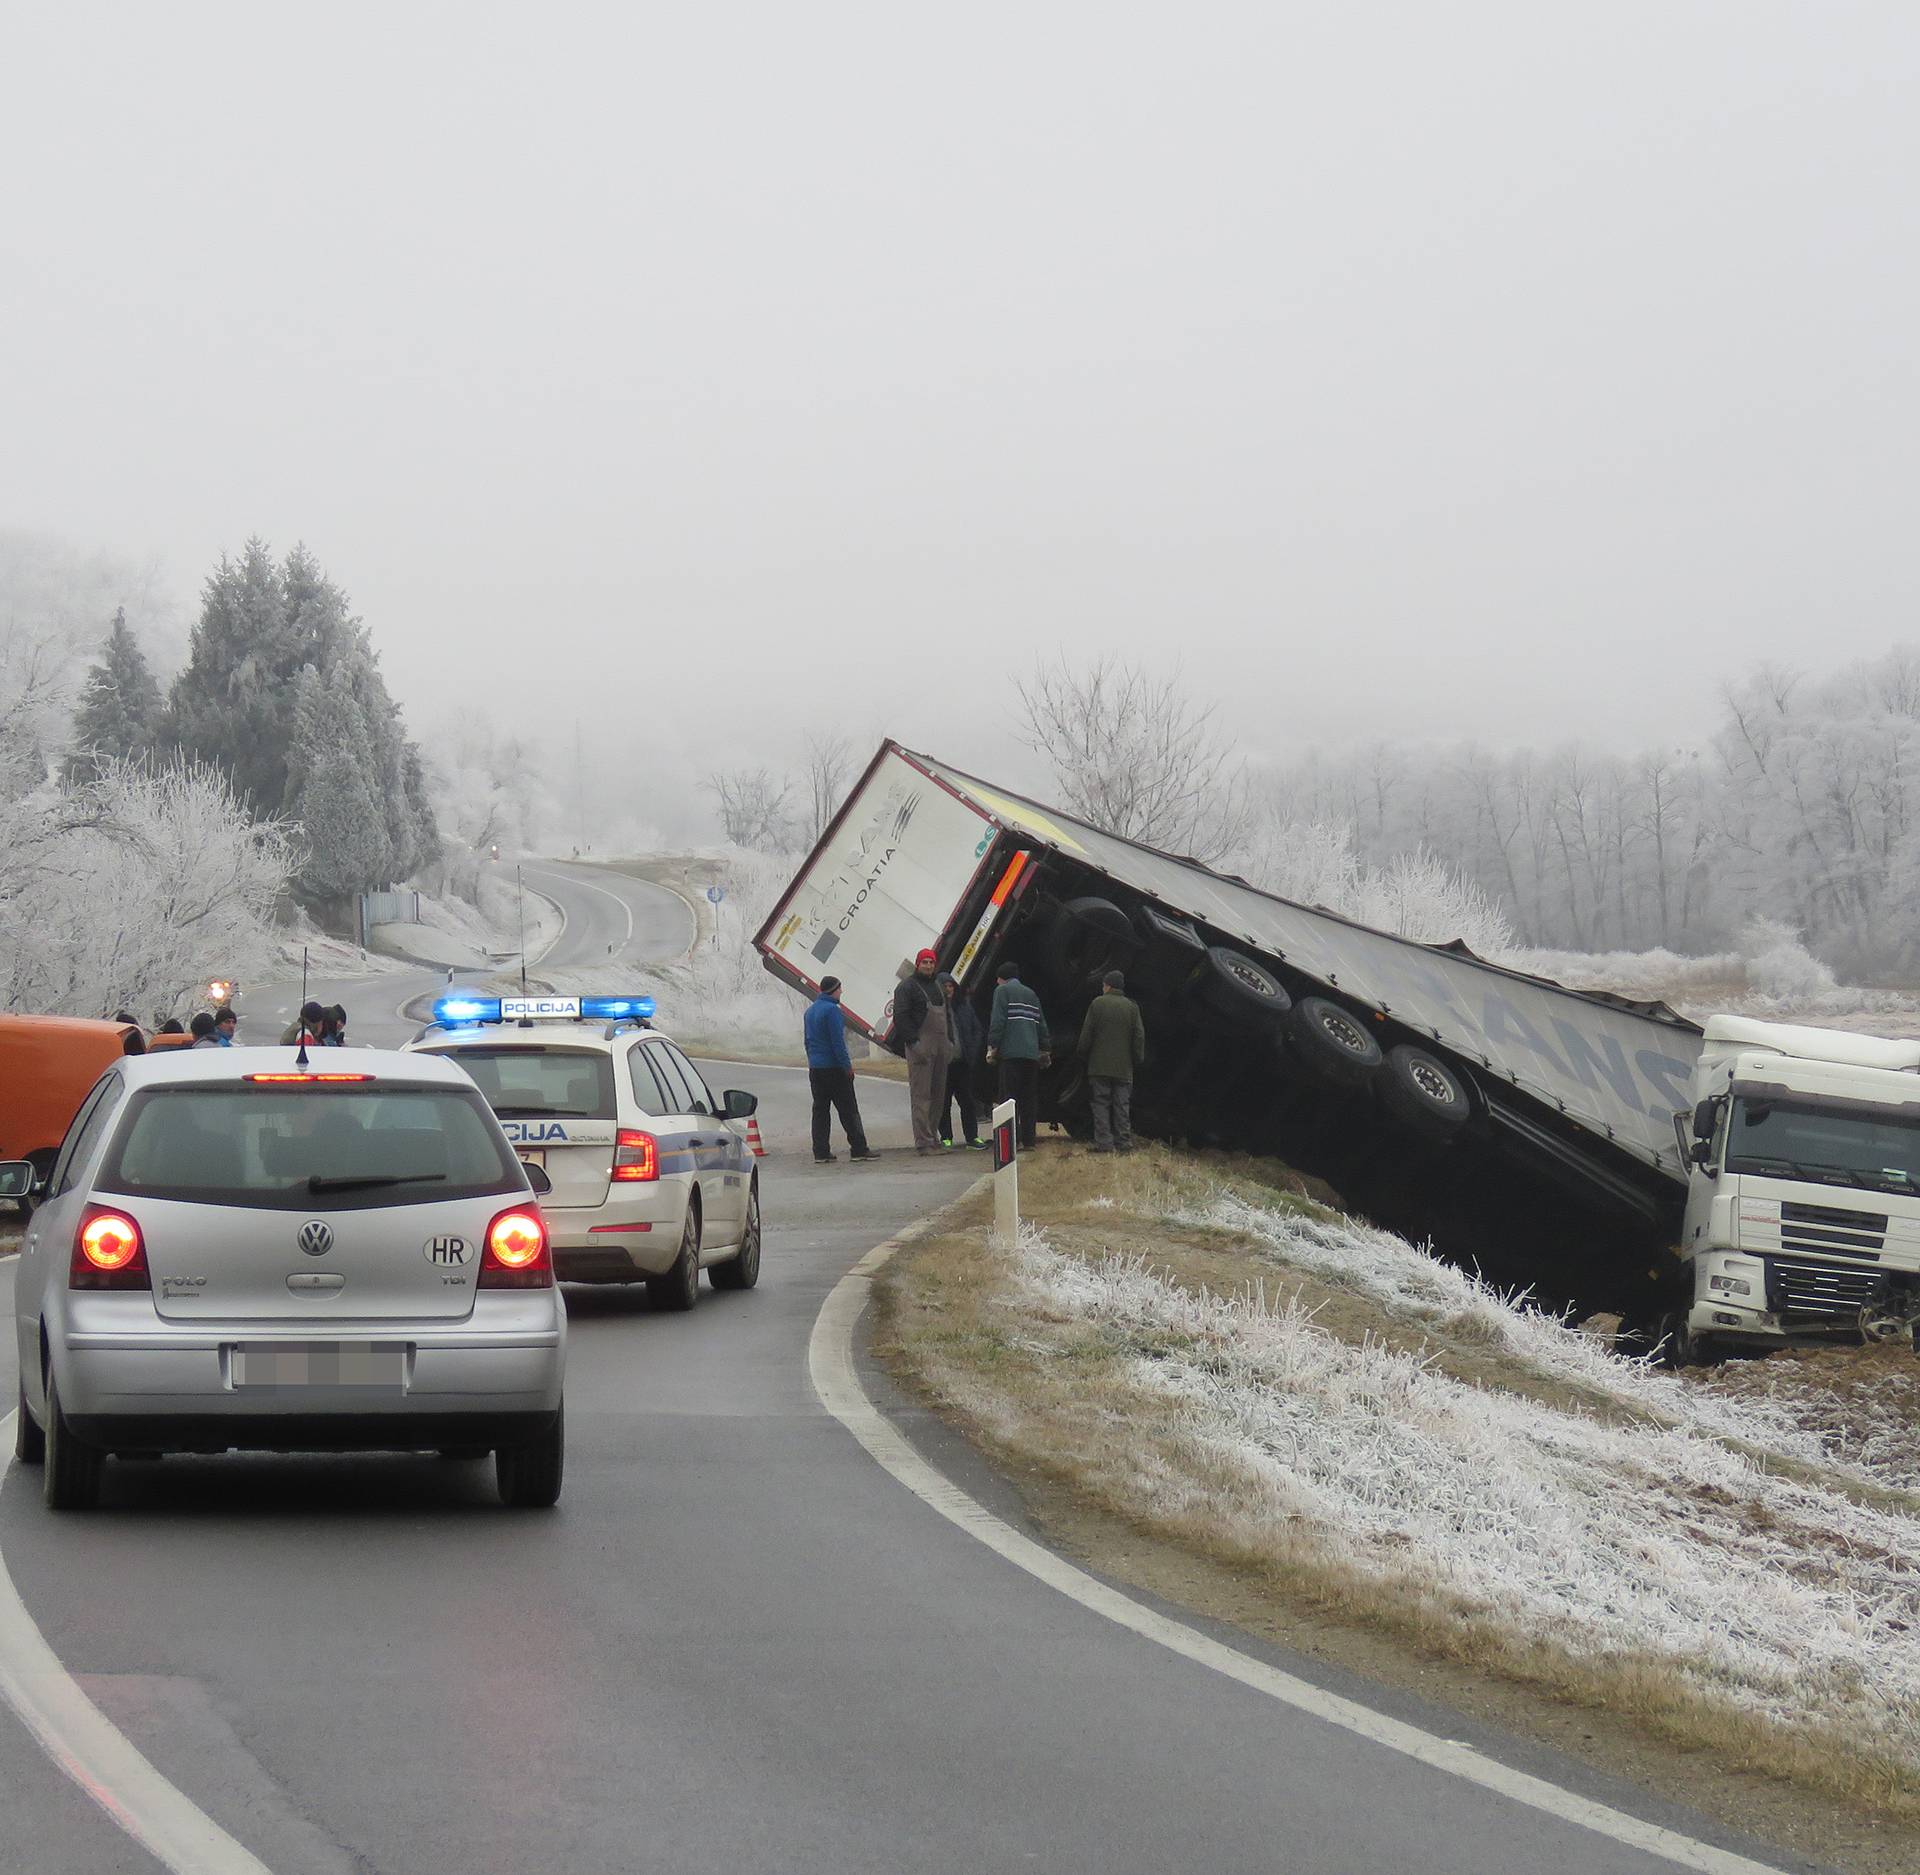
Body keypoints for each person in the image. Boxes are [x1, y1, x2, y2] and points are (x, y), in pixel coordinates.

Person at [803, 977, 873, 1164]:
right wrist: (847, 1066)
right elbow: (837, 1042)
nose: (841, 992)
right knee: (849, 1109)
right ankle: (859, 1148)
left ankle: (821, 1151)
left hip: (816, 1068)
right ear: (834, 990)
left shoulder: (810, 1011)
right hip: (834, 1067)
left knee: (820, 1111)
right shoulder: (833, 1010)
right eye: (840, 989)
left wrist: (812, 1062)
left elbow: (807, 1041)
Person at [1076, 969, 1146, 1153]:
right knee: (1122, 1105)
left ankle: (1105, 1144)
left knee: (1101, 1104)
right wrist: (1136, 1059)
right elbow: (1139, 1037)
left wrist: (1082, 1053)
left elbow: (1087, 1034)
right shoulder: (1132, 1007)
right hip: (1124, 1068)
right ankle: (1124, 1143)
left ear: (1107, 986)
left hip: (1099, 1067)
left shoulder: (1097, 1004)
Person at [893, 949, 955, 1155]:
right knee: (921, 1097)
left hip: (940, 1048)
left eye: (931, 962)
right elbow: (901, 1018)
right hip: (920, 1048)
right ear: (918, 964)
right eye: (924, 962)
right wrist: (914, 1044)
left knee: (938, 1096)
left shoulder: (938, 986)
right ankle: (923, 1142)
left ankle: (933, 1138)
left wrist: (950, 1043)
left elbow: (946, 1015)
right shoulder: (906, 987)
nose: (928, 965)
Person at [986, 960, 1050, 1151]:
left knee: (1008, 1099)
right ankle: (1029, 1141)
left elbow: (998, 1020)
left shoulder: (1002, 992)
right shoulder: (1031, 994)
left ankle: (1011, 1141)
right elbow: (1041, 1023)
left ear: (1001, 978)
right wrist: (1045, 1048)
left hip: (1011, 1054)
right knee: (1028, 1098)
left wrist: (992, 1046)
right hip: (1031, 1055)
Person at [937, 972, 986, 1149]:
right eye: (944, 986)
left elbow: (976, 1030)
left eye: (951, 986)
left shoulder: (964, 1006)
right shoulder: (935, 1009)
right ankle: (946, 1137)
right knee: (944, 1103)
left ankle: (972, 1137)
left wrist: (971, 1052)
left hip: (963, 1063)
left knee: (968, 1102)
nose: (948, 989)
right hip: (944, 1065)